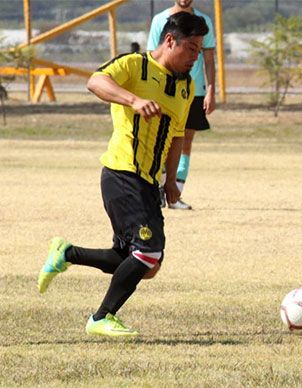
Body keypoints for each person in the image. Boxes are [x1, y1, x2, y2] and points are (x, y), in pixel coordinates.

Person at [36, 12, 209, 337]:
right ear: (170, 41)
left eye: (200, 51)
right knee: (148, 252)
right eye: (191, 48)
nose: (195, 57)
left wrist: (171, 181)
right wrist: (133, 99)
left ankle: (66, 253)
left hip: (147, 181)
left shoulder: (186, 86)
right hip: (121, 172)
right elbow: (95, 81)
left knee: (145, 263)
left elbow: (176, 136)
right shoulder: (135, 65)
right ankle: (101, 317)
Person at [147, 0, 216, 210]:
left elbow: (209, 59)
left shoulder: (204, 21)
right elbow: (153, 55)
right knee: (161, 139)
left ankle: (176, 193)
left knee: (186, 140)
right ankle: (157, 190)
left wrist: (211, 91)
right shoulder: (160, 20)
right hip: (166, 89)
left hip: (194, 91)